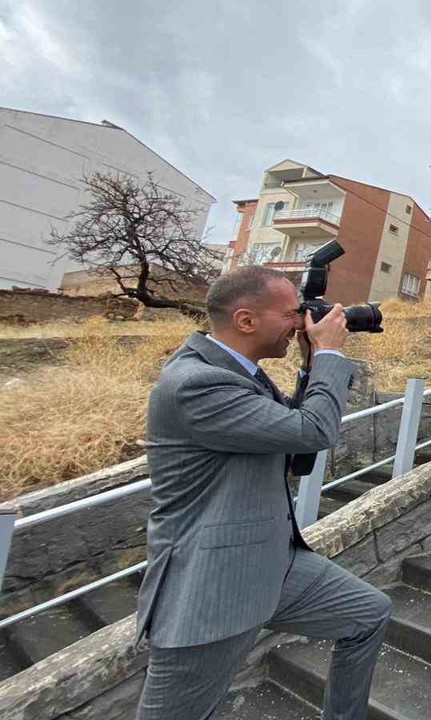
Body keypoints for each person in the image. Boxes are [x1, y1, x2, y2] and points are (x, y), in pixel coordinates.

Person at [136, 267, 391, 720]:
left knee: (366, 615)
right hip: (213, 586)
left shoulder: (239, 373)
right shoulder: (196, 383)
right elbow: (314, 429)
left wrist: (313, 364)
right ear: (246, 321)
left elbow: (297, 451)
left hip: (273, 562)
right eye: (293, 313)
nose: (301, 322)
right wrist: (331, 354)